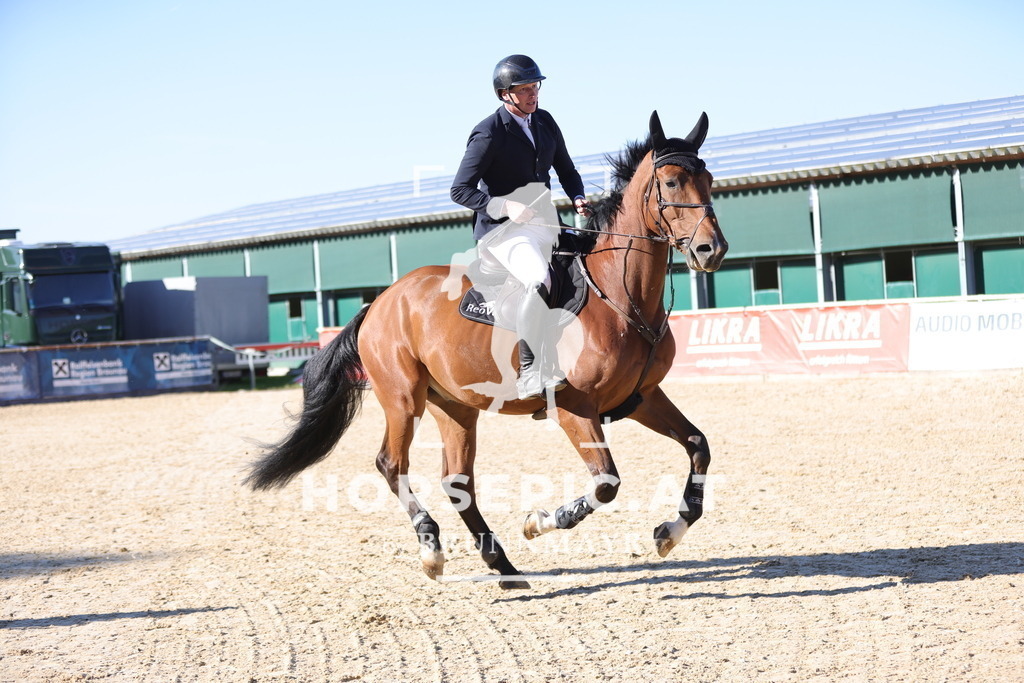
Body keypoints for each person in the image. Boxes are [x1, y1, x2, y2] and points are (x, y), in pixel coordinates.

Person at [450, 54, 591, 400]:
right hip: (503, 232)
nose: (533, 94)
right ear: (504, 94)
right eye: (524, 89)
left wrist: (577, 196)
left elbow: (566, 169)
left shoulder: (544, 121)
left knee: (592, 260)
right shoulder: (488, 133)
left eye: (535, 86)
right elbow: (459, 190)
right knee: (538, 279)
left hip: (545, 221)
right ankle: (530, 371)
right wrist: (503, 205)